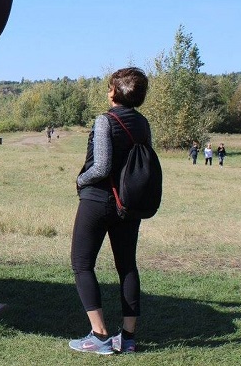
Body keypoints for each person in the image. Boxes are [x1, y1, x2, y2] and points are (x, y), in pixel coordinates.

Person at [69, 67, 152, 355]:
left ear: (116, 92)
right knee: (127, 265)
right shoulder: (143, 124)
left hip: (98, 200)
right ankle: (127, 339)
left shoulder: (106, 120)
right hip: (128, 203)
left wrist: (80, 179)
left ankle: (100, 336)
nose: (107, 91)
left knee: (82, 263)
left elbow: (101, 167)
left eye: (109, 87)